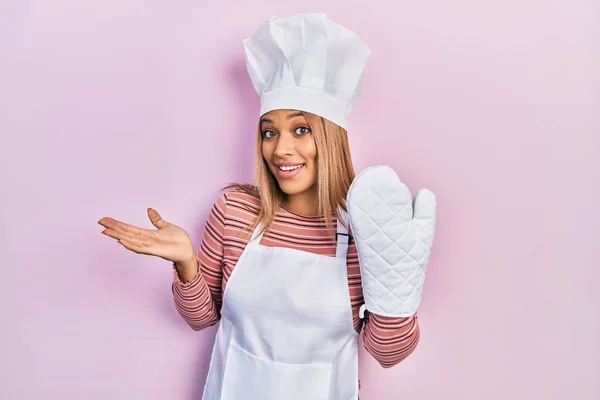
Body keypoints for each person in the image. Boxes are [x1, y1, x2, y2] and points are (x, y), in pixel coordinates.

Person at [98, 13, 423, 400]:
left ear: (331, 138)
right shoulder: (235, 211)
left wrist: (397, 285)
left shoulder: (364, 231)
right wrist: (186, 263)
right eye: (269, 131)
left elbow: (387, 354)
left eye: (301, 129)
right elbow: (202, 319)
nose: (280, 148)